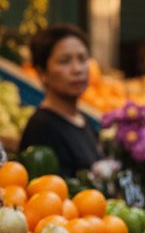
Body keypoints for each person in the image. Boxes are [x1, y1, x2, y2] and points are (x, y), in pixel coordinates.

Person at [20, 25, 101, 176]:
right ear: (42, 72)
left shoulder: (83, 120)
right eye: (65, 61)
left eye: (83, 59)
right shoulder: (42, 128)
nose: (77, 69)